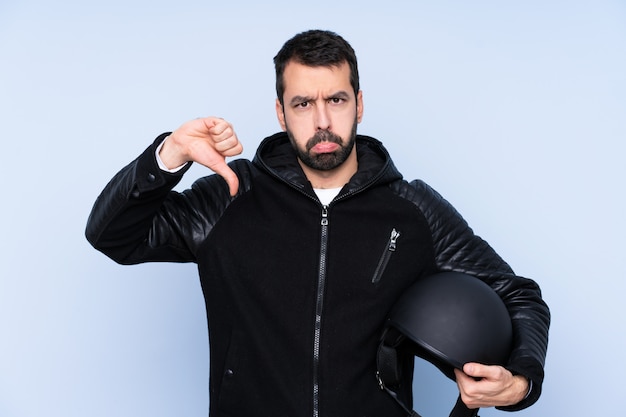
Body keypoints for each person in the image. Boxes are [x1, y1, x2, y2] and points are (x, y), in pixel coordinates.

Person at [86, 29, 550, 417]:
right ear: (281, 112)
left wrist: (521, 383)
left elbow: (518, 294)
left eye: (337, 99)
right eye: (304, 104)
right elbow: (113, 236)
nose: (323, 121)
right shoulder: (230, 196)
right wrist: (168, 155)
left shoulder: (412, 209)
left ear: (360, 105)